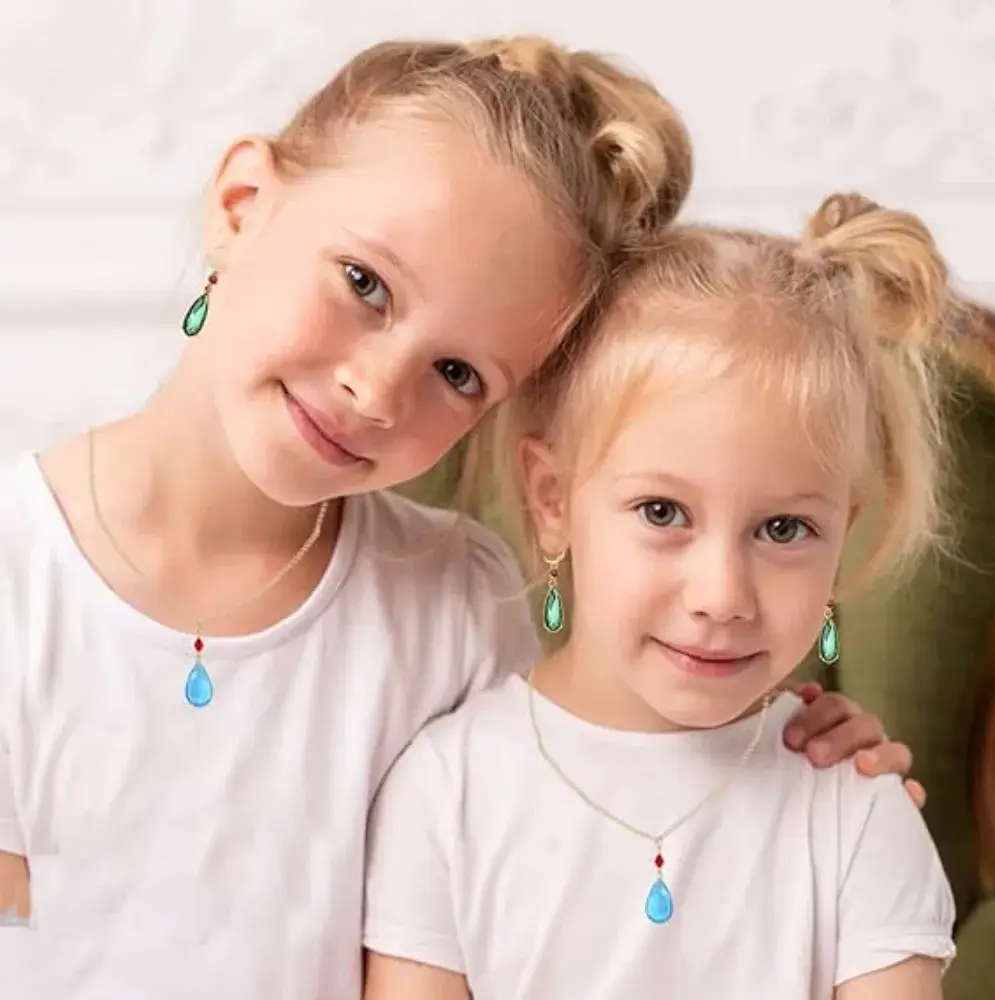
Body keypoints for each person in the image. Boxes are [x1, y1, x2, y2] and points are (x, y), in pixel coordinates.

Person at [0, 37, 919, 1000]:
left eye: (458, 374)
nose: (377, 390)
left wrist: (796, 763)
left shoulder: (456, 601)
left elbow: (581, 847)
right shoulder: (22, 582)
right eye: (364, 284)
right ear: (244, 206)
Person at [362, 193, 958, 999]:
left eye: (783, 529)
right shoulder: (446, 793)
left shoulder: (854, 813)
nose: (722, 596)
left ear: (841, 535)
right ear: (552, 499)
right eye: (663, 513)